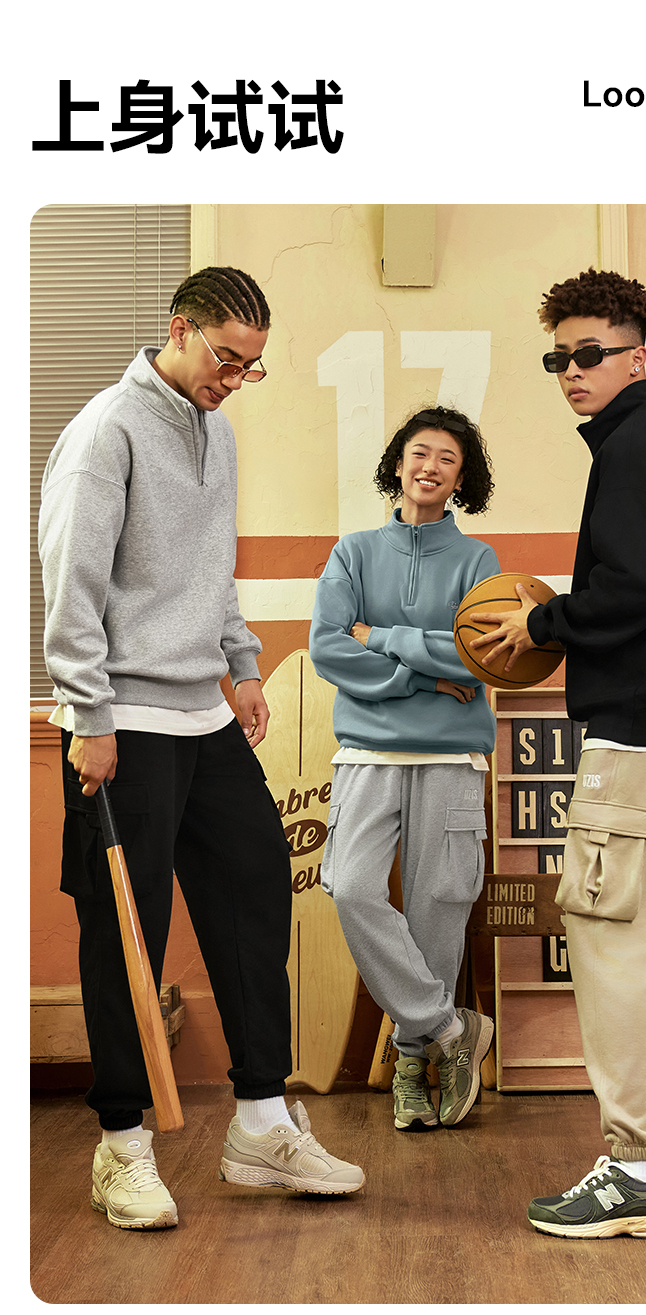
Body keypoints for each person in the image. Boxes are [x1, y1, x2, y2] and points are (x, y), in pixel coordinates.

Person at [38, 265, 364, 1231]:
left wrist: (242, 661)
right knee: (123, 930)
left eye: (251, 367)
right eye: (226, 359)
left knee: (258, 886)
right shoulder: (106, 431)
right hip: (124, 720)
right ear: (179, 329)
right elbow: (70, 577)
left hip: (202, 713)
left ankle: (261, 1121)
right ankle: (122, 1144)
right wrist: (88, 713)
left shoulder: (215, 430)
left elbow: (212, 565)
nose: (234, 380)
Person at [469, 268, 646, 1239]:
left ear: (637, 356)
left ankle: (637, 1167)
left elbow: (640, 585)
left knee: (608, 941)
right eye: (558, 358)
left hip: (639, 737)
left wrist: (541, 622)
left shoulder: (635, 448)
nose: (572, 372)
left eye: (589, 354)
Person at [309, 407, 497, 1132]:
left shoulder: (478, 561)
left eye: (448, 458)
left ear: (462, 479)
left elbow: (478, 656)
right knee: (351, 885)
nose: (430, 467)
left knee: (439, 907)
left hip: (452, 754)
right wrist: (425, 673)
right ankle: (449, 1029)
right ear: (397, 463)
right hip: (367, 751)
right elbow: (329, 647)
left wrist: (383, 637)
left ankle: (413, 1062)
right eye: (420, 452)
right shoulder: (354, 552)